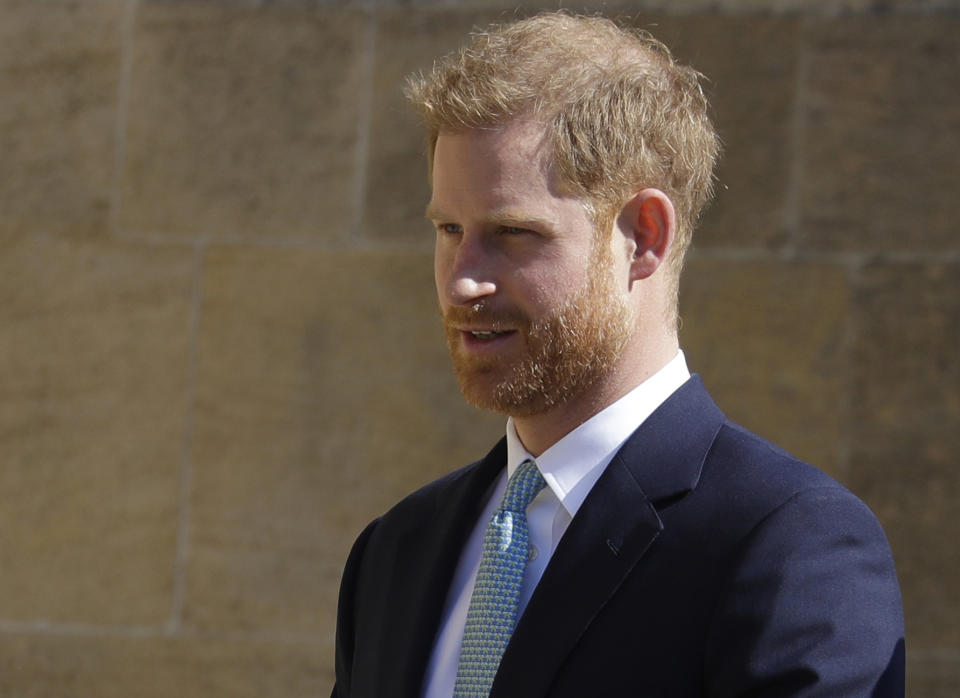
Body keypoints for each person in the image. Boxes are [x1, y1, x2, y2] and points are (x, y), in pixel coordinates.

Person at [332, 12, 904, 698]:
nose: (462, 280)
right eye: (449, 229)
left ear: (644, 236)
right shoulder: (396, 552)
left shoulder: (791, 547)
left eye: (513, 233)